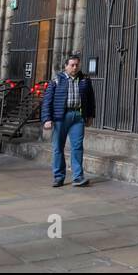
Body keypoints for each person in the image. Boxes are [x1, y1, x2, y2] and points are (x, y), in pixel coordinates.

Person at [41, 53, 95, 188]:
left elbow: (91, 100)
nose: (75, 67)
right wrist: (47, 119)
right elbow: (47, 101)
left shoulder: (85, 80)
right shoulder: (56, 80)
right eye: (72, 65)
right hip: (61, 117)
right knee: (58, 147)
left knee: (77, 147)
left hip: (77, 117)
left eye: (77, 65)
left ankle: (78, 177)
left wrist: (90, 116)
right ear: (66, 66)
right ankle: (59, 177)